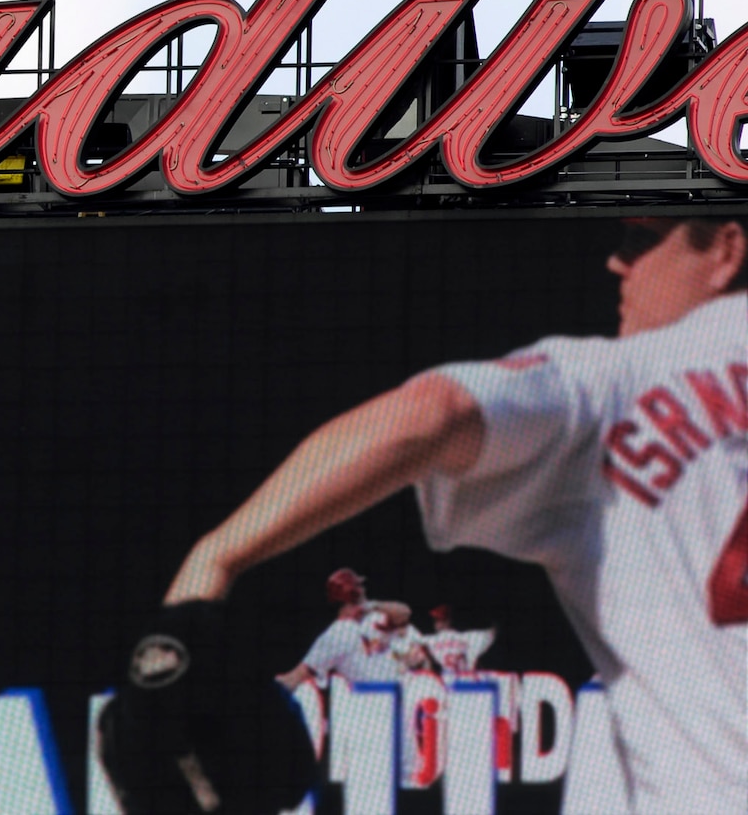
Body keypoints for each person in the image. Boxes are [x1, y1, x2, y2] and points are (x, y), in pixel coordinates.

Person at [165, 216, 748, 813]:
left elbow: (428, 413)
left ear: (727, 251)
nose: (617, 263)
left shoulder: (615, 383)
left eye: (641, 241)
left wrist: (212, 560)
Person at [279, 567, 415, 690]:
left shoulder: (374, 618)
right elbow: (299, 675)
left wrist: (372, 605)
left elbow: (405, 613)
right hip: (374, 699)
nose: (364, 589)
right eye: (360, 586)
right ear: (353, 592)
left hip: (404, 690)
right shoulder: (338, 632)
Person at [422, 604, 496, 678]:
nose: (437, 623)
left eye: (438, 620)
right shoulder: (471, 637)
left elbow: (414, 640)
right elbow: (494, 631)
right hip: (468, 682)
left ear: (448, 620)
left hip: (446, 684)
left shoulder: (431, 640)